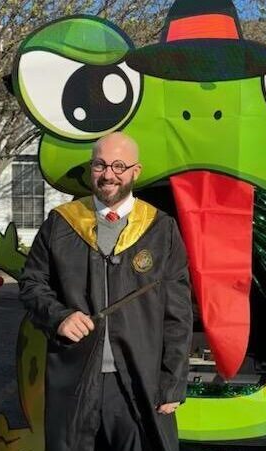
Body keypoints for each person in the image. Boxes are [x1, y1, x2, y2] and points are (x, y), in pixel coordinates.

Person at [19, 132, 193, 451]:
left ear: (134, 172)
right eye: (100, 165)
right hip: (75, 378)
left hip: (137, 379)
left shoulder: (160, 229)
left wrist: (173, 381)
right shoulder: (61, 225)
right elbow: (32, 284)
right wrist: (59, 317)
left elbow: (178, 312)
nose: (108, 174)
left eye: (118, 166)